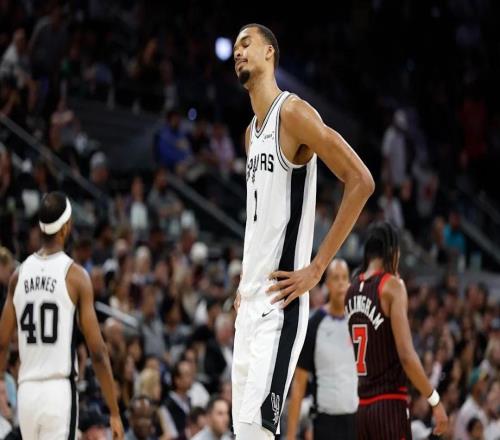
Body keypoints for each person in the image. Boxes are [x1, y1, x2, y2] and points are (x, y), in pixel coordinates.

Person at [232, 23, 374, 440]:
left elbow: (361, 181)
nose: (237, 52)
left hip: (280, 303)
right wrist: (243, 283)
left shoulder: (293, 113)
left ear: (270, 53)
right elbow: (260, 220)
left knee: (255, 431)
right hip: (249, 304)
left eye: (246, 44)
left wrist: (316, 268)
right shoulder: (249, 135)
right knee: (245, 435)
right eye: (234, 47)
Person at [0, 191, 124, 439]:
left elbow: (2, 343)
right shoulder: (75, 276)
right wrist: (114, 411)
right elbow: (98, 351)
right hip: (58, 393)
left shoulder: (18, 275)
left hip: (26, 392)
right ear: (66, 227)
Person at [345, 222, 448, 439]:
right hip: (389, 406)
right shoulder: (392, 286)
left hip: (362, 410)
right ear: (392, 251)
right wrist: (434, 400)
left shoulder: (351, 291)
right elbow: (406, 356)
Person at [287, 259, 358, 440]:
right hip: (325, 420)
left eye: (344, 277)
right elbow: (299, 384)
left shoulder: (359, 322)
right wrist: (291, 435)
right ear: (327, 284)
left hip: (356, 419)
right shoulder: (314, 324)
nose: (341, 283)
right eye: (335, 278)